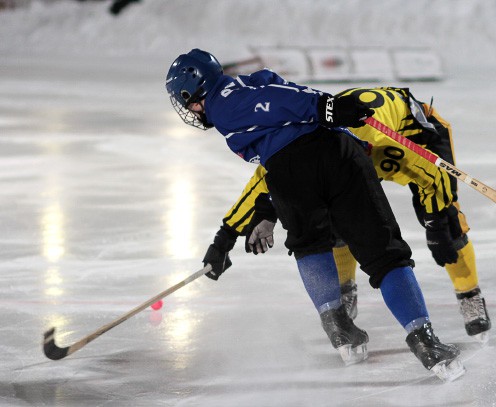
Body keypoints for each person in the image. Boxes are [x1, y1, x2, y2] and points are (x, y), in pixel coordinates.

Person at [166, 49, 464, 381]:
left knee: (310, 246)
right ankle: (426, 344)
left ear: (192, 93)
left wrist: (328, 108)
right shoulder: (236, 95)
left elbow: (276, 103)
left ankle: (339, 330)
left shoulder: (226, 102)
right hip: (330, 157)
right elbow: (279, 111)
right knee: (385, 255)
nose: (188, 110)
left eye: (185, 100)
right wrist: (239, 228)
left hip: (291, 175)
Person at [205, 87, 492, 344]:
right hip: (352, 149)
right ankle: (346, 289)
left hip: (416, 134)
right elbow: (265, 182)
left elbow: (433, 177)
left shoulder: (387, 145)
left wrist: (436, 224)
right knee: (338, 214)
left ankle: (469, 293)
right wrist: (225, 237)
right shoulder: (314, 137)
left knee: (448, 223)